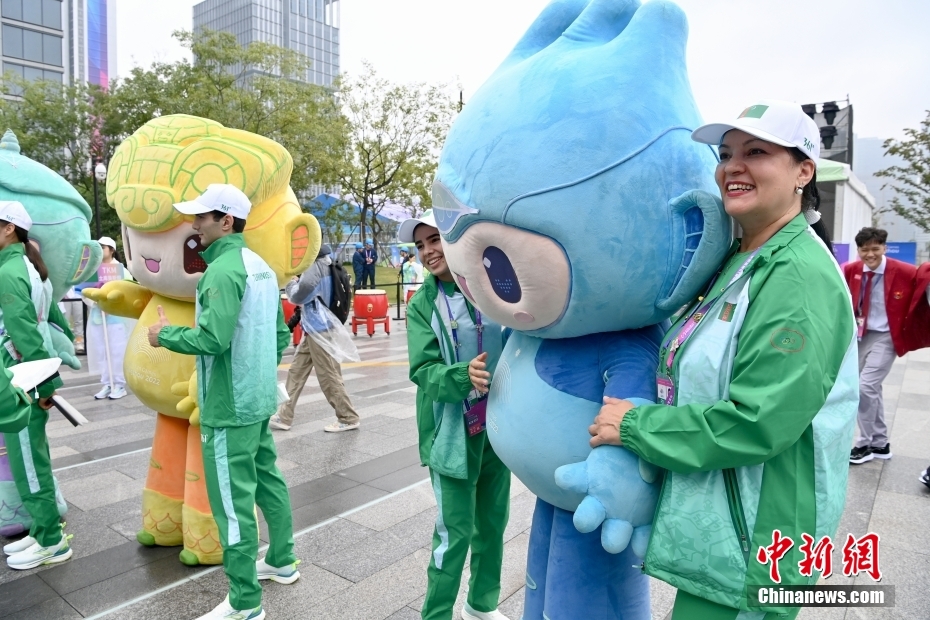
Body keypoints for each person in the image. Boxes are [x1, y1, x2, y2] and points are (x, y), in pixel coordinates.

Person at [588, 101, 859, 619]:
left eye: (756, 152)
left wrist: (638, 427)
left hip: (755, 538)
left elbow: (759, 421)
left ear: (804, 171)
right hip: (727, 528)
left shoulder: (797, 276)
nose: (733, 166)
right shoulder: (746, 259)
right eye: (727, 152)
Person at [146, 184, 299, 620]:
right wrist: (257, 375)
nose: (194, 225)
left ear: (226, 220)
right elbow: (280, 335)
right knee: (267, 479)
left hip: (228, 408)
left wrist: (163, 335)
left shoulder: (221, 272)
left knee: (231, 504)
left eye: (202, 217)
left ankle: (244, 602)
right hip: (258, 400)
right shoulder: (261, 267)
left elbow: (212, 339)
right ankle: (282, 559)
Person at [400, 212, 511, 620]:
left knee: (493, 522)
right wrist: (461, 376)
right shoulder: (422, 304)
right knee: (454, 532)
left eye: (435, 240)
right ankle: (436, 614)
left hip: (499, 426)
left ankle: (482, 605)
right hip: (452, 431)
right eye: (421, 245)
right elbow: (422, 370)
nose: (429, 251)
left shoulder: (491, 284)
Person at [0, 201, 74, 570]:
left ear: (9, 228)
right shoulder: (26, 267)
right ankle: (42, 529)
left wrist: (47, 385)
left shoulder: (11, 270)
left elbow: (25, 332)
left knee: (28, 462)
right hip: (27, 376)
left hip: (21, 380)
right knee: (30, 458)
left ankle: (51, 541)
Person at [843, 228, 916, 464]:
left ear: (884, 248)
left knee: (865, 387)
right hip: (861, 335)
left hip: (886, 335)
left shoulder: (903, 271)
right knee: (870, 388)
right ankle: (881, 443)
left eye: (875, 249)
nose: (870, 254)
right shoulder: (851, 270)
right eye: (864, 249)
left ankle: (864, 444)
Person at [270, 243, 360, 433]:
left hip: (319, 330)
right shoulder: (328, 263)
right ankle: (284, 415)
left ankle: (348, 417)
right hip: (316, 328)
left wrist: (290, 282)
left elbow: (299, 295)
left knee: (329, 376)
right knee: (296, 371)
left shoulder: (313, 267)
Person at [86, 236, 134, 400]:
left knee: (116, 351)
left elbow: (129, 291)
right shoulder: (94, 269)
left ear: (111, 250)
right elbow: (85, 291)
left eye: (103, 247)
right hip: (98, 316)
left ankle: (119, 384)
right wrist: (95, 300)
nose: (100, 250)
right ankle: (107, 383)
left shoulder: (120, 270)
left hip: (116, 319)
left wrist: (112, 304)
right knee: (102, 351)